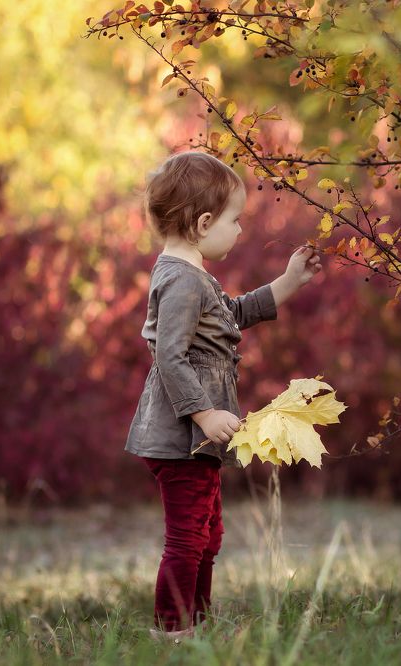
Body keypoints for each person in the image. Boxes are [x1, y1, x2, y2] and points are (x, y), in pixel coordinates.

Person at [124, 150, 322, 642]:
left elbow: (230, 315)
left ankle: (197, 622)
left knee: (207, 535)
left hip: (196, 438)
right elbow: (169, 357)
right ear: (203, 222)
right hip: (181, 436)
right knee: (189, 537)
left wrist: (287, 283)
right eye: (234, 221)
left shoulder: (191, 275)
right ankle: (173, 631)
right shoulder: (182, 281)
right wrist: (205, 412)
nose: (239, 231)